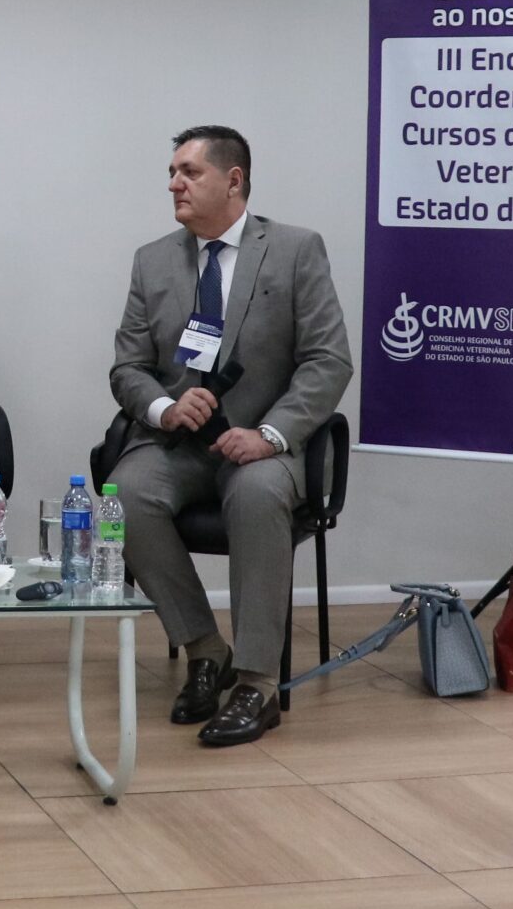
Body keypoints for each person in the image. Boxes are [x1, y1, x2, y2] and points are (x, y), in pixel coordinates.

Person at [108, 126, 352, 747]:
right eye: (172, 172)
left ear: (233, 180)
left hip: (263, 446)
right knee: (123, 495)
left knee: (255, 492)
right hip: (179, 446)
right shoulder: (153, 259)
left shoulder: (296, 250)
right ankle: (203, 647)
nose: (173, 184)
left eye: (188, 172)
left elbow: (329, 361)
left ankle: (256, 683)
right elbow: (127, 368)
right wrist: (164, 406)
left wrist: (270, 434)